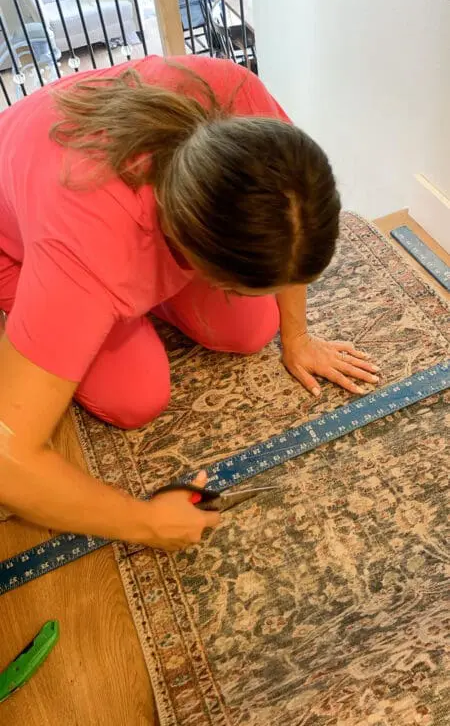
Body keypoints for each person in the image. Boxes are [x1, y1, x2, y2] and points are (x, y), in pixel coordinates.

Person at [0, 55, 380, 551]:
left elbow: (286, 232)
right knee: (135, 398)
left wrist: (298, 336)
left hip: (94, 185)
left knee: (248, 332)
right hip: (21, 241)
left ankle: (132, 303)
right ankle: (108, 303)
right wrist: (146, 523)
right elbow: (9, 461)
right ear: (193, 248)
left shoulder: (245, 109)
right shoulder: (87, 247)